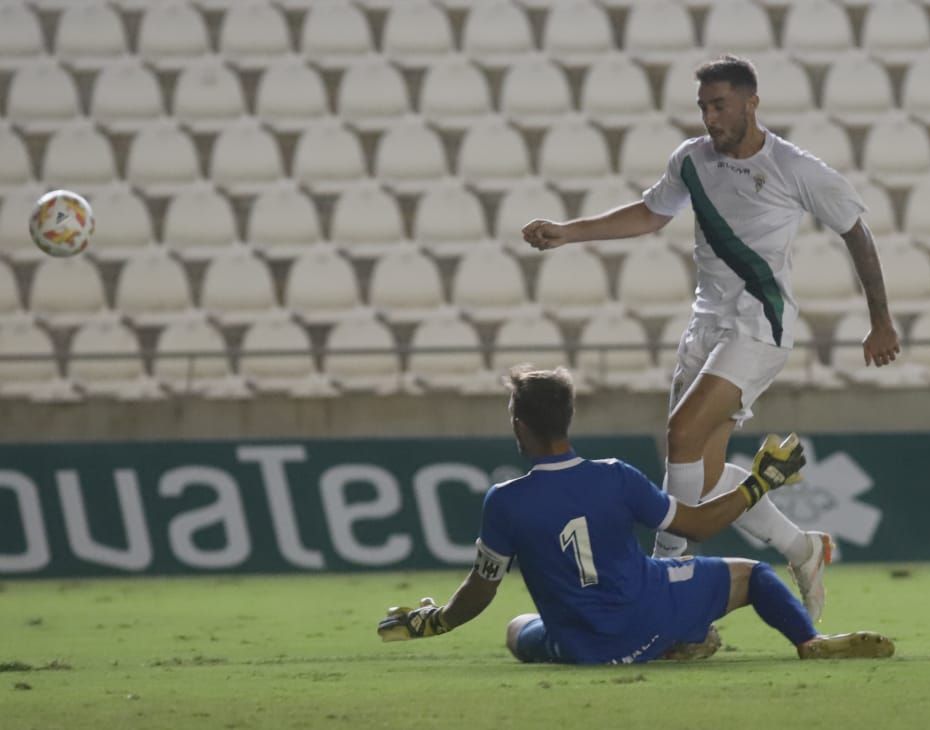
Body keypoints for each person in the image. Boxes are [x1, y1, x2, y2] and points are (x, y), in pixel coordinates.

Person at [522, 55, 901, 622]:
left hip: (760, 327)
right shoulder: (692, 160)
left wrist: (881, 320)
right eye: (703, 106)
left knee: (680, 435)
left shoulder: (795, 167)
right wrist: (569, 232)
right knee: (702, 472)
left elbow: (856, 231)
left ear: (752, 102)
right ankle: (804, 548)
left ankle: (661, 575)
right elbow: (652, 213)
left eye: (720, 104)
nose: (710, 117)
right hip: (707, 326)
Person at [377, 366, 895, 665]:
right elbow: (697, 525)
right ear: (568, 419)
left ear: (519, 426)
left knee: (517, 628)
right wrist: (760, 482)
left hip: (580, 645)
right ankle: (807, 640)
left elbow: (482, 589)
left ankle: (678, 644)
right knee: (754, 575)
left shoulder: (504, 501)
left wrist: (436, 622)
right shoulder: (616, 476)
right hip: (650, 611)